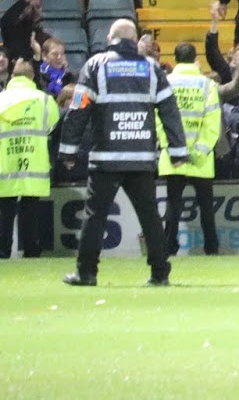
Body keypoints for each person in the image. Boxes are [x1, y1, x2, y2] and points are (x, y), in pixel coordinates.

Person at [60, 19, 188, 286]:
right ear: (135, 39)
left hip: (106, 159)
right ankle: (160, 273)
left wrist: (68, 151)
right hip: (141, 158)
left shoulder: (95, 65)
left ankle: (87, 273)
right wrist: (177, 151)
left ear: (110, 38)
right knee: (150, 217)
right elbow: (170, 112)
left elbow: (78, 108)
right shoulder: (152, 68)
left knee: (95, 217)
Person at [158, 42, 222, 257]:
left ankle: (169, 248)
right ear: (196, 59)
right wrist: (199, 151)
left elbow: (159, 120)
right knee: (206, 207)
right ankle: (211, 248)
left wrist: (173, 148)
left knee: (173, 205)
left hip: (173, 156)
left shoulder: (165, 83)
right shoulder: (207, 85)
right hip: (201, 158)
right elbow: (213, 123)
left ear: (175, 58)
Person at [0, 56, 59, 259]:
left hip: (5, 165)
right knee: (31, 210)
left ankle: (3, 252)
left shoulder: (1, 99)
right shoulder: (44, 100)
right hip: (34, 164)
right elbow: (52, 125)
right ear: (33, 76)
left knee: (4, 212)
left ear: (12, 76)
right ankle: (32, 251)